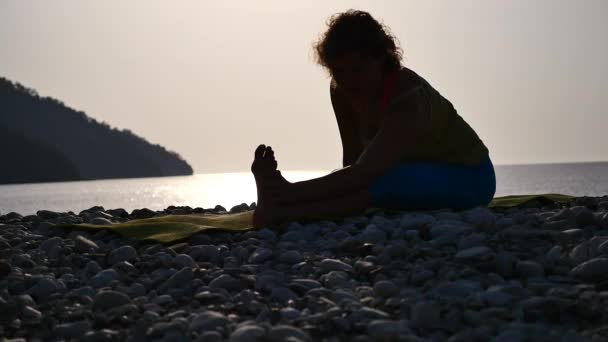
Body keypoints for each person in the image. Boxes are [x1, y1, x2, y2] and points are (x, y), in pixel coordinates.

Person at [251, 9, 496, 228]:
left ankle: (281, 210)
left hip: (470, 177)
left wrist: (290, 191)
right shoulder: (341, 90)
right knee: (366, 179)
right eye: (339, 71)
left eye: (357, 70)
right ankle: (278, 205)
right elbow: (354, 160)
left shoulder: (408, 98)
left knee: (385, 181)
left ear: (380, 58)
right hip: (407, 172)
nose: (349, 81)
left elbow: (365, 172)